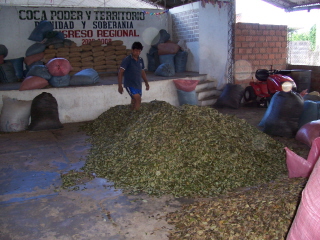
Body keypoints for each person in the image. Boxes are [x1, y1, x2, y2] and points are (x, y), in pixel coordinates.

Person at [118, 41, 150, 110]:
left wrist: (146, 83)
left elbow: (142, 72)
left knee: (134, 101)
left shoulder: (141, 60)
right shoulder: (127, 60)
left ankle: (131, 113)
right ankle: (136, 117)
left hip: (138, 84)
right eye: (136, 51)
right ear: (132, 50)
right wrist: (120, 86)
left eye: (139, 51)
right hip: (130, 84)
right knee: (138, 100)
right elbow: (120, 72)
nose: (137, 53)